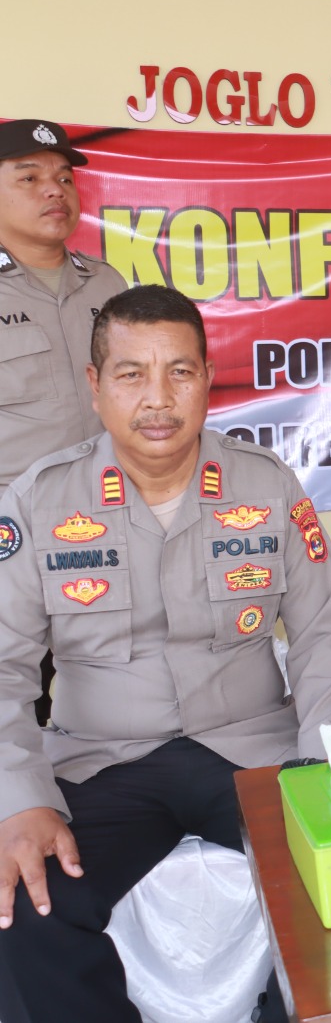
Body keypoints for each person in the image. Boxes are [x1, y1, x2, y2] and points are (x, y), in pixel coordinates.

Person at [0, 285, 331, 1023]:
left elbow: (325, 634)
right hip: (100, 756)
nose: (158, 398)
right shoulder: (38, 500)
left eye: (181, 371)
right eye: (132, 373)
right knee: (25, 905)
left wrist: (322, 761)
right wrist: (22, 801)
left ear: (207, 380)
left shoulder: (266, 485)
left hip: (251, 748)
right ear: (95, 386)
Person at [0, 119, 129, 726]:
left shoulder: (106, 284)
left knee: (105, 707)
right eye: (29, 178)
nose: (54, 189)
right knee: (15, 708)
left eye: (63, 177)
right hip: (13, 543)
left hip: (108, 531)